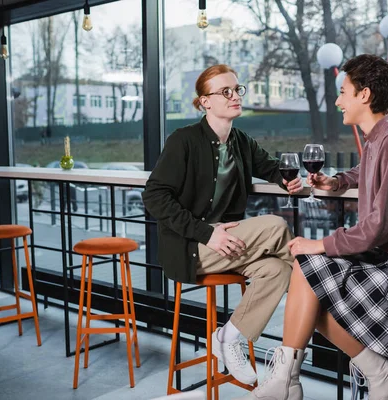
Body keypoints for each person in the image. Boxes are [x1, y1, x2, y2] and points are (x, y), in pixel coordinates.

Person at [237, 54, 388, 400]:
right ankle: (366, 375)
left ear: (365, 95)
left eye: (343, 91)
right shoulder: (382, 139)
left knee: (307, 273)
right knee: (307, 284)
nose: (337, 100)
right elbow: (367, 174)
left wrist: (321, 245)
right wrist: (337, 181)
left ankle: (289, 382)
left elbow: (380, 227)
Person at [142, 64, 303, 386]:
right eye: (225, 92)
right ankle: (314, 311)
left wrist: (291, 179)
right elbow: (154, 197)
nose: (234, 96)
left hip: (229, 244)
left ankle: (229, 336)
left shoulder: (241, 141)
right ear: (205, 102)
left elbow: (270, 167)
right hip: (191, 247)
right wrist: (207, 234)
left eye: (236, 90)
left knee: (279, 270)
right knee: (274, 227)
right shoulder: (183, 140)